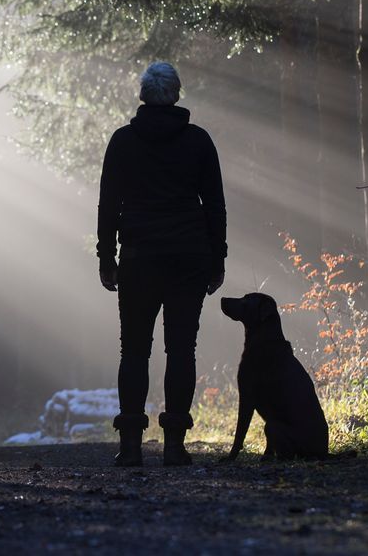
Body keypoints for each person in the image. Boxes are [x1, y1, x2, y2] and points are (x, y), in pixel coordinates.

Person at [96, 61, 227, 467]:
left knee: (134, 349)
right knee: (181, 349)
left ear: (143, 95)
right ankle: (174, 446)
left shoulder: (122, 142)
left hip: (138, 257)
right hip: (189, 257)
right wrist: (217, 257)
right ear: (176, 94)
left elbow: (108, 205)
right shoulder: (198, 142)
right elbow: (214, 206)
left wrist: (106, 256)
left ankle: (131, 445)